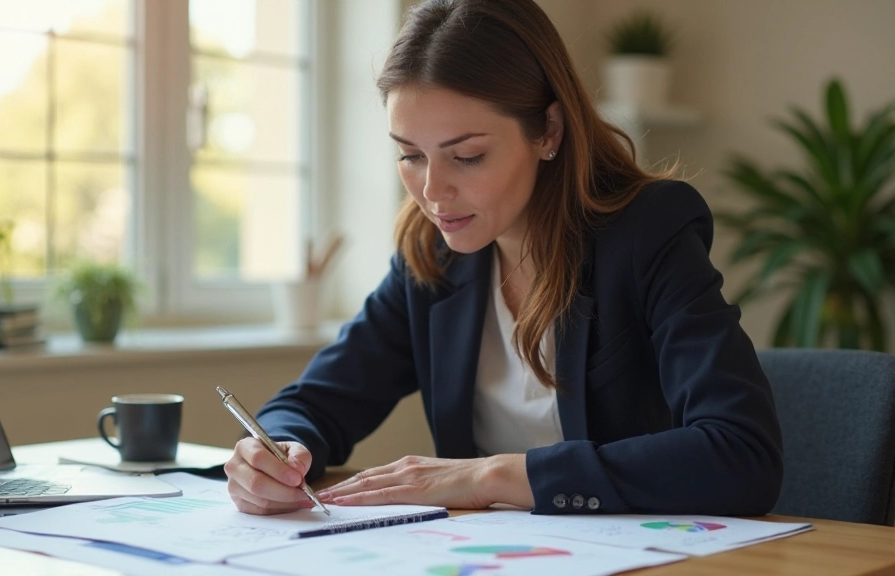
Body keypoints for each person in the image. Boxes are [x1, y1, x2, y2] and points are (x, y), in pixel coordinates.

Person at [224, 0, 783, 517]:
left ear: (549, 131)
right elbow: (315, 402)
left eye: (467, 156)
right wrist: (274, 451)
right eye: (411, 155)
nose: (433, 192)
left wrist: (492, 477)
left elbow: (742, 454)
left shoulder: (646, 232)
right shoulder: (432, 254)